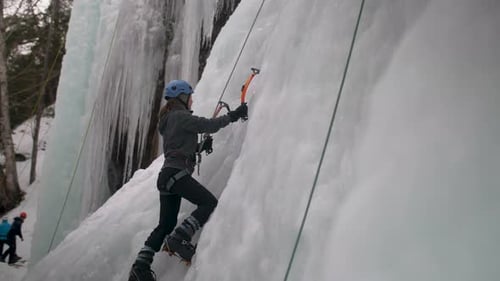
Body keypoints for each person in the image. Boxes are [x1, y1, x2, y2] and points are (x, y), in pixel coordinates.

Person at [128, 80, 248, 281]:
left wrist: (199, 148)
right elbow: (207, 124)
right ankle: (180, 238)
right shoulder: (179, 116)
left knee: (165, 224)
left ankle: (140, 267)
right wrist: (233, 115)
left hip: (167, 176)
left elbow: (179, 148)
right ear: (182, 97)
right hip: (176, 174)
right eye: (190, 96)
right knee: (209, 202)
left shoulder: (170, 121)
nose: (192, 100)